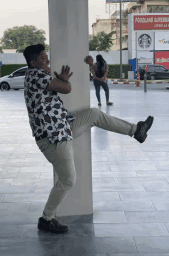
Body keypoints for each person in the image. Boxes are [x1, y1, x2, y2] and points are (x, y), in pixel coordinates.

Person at [23, 44, 154, 234]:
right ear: (33, 62)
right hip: (53, 138)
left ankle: (136, 130)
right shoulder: (35, 75)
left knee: (93, 114)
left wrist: (62, 80)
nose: (47, 60)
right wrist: (65, 80)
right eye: (43, 58)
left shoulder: (38, 76)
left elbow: (59, 89)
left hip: (62, 129)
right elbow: (66, 88)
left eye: (46, 57)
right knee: (68, 179)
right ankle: (46, 219)